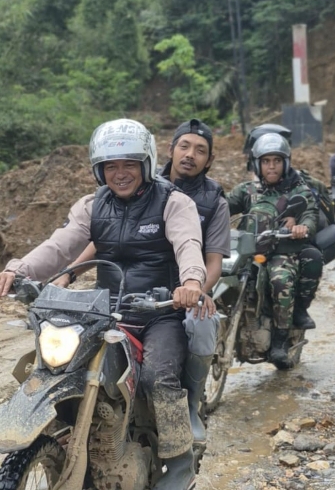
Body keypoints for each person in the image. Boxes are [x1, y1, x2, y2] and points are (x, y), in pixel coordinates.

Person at [0, 119, 207, 490]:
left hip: (158, 312)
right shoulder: (92, 205)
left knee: (158, 377)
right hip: (105, 310)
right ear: (99, 169)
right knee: (56, 366)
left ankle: (180, 463)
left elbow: (188, 243)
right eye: (111, 165)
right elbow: (61, 243)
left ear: (146, 163)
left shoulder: (175, 202)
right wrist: (19, 268)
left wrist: (191, 282)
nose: (120, 173)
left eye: (129, 164)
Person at [57, 119, 229, 449]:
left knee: (197, 330)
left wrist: (195, 287)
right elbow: (100, 238)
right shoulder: (121, 191)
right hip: (115, 302)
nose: (190, 155)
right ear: (168, 151)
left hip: (171, 297)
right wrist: (67, 272)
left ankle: (186, 425)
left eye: (200, 150)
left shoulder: (203, 201)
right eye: (184, 146)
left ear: (209, 159)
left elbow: (197, 251)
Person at [227, 133, 318, 365]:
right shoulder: (247, 190)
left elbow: (310, 214)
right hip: (248, 252)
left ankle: (279, 340)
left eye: (276, 161)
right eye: (266, 161)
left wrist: (301, 227)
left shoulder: (297, 190)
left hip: (282, 252)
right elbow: (223, 208)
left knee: (280, 281)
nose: (271, 166)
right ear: (258, 163)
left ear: (285, 163)